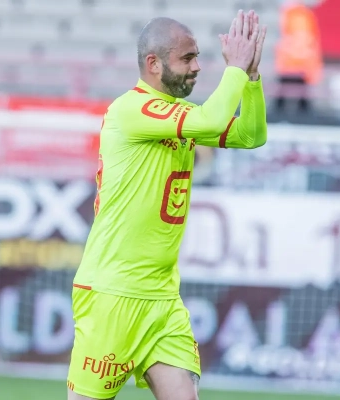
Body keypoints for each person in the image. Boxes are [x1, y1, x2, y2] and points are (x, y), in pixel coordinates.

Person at [66, 10, 267, 400]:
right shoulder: (131, 110)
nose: (197, 67)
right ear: (154, 64)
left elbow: (251, 135)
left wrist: (252, 79)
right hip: (113, 293)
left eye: (197, 57)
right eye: (187, 58)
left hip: (162, 298)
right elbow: (213, 121)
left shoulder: (182, 117)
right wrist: (235, 70)